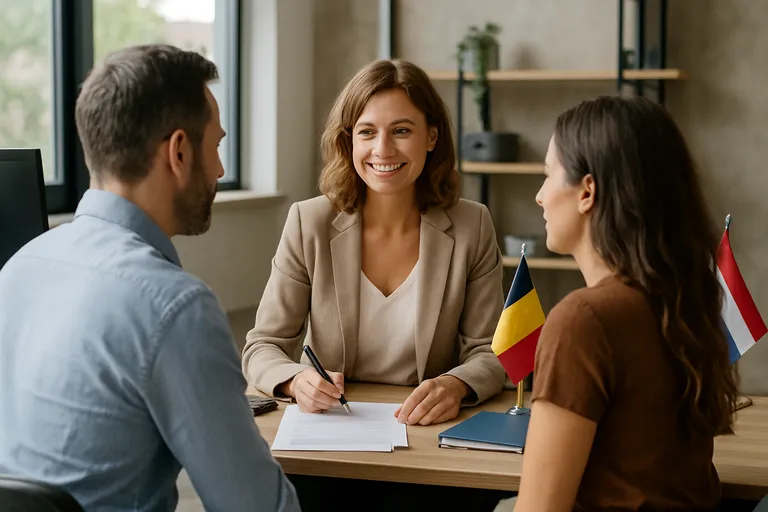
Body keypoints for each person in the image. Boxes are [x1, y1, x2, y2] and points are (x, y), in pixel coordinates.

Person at [0, 44, 299, 512]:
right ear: (179, 151)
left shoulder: (18, 267)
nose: (221, 169)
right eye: (216, 146)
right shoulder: (174, 307)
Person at [242, 59, 506, 428]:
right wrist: (296, 379)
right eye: (366, 132)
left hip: (426, 429)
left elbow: (491, 350)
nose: (382, 149)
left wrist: (456, 384)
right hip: (329, 430)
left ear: (431, 136)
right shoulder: (309, 223)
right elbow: (263, 346)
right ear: (348, 139)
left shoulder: (471, 226)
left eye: (401, 130)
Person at [514, 95, 739, 511]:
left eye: (548, 176)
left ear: (587, 191)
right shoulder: (687, 300)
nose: (540, 196)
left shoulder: (584, 320)